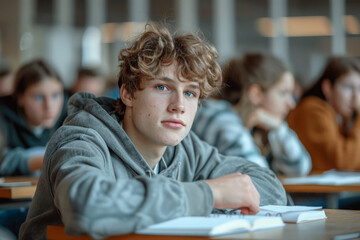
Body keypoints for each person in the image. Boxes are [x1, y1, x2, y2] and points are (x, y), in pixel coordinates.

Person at [19, 23, 287, 240]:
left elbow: (271, 189)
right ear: (127, 93)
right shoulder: (81, 140)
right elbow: (85, 207)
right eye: (162, 87)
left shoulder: (186, 149)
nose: (179, 106)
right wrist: (207, 194)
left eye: (190, 92)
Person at [193, 53, 311, 176]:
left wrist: (279, 129)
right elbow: (260, 178)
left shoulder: (260, 127)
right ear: (256, 94)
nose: (291, 104)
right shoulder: (220, 118)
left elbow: (301, 169)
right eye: (283, 93)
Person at [288, 56, 360, 172]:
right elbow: (345, 162)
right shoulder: (312, 109)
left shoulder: (341, 118)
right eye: (348, 87)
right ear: (328, 88)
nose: (356, 98)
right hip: (304, 189)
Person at [0, 59, 67, 176]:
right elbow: (3, 161)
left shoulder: (67, 115)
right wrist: (52, 160)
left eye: (55, 95)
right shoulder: (3, 116)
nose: (49, 106)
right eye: (39, 98)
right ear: (20, 98)